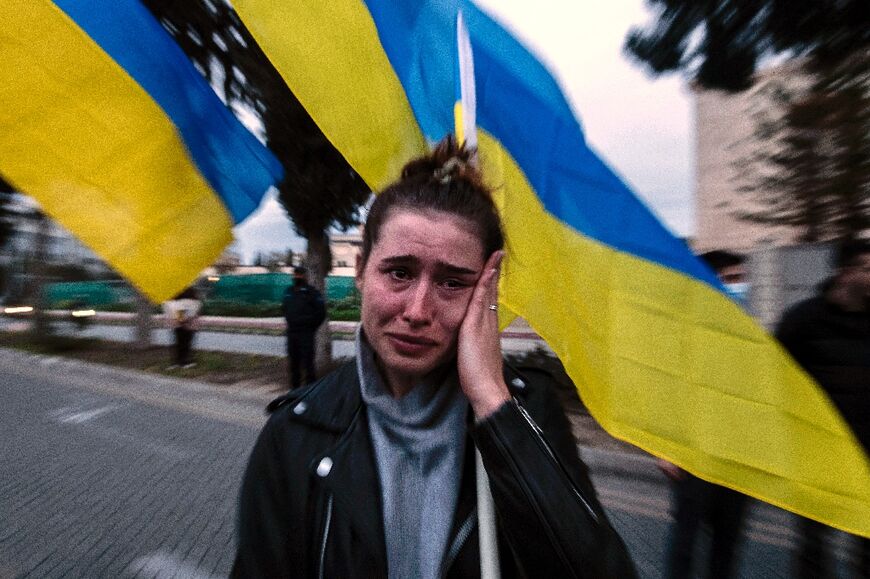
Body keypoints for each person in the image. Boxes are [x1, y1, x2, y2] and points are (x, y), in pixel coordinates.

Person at [232, 137, 636, 578]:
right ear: (363, 271)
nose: (418, 311)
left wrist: (492, 406)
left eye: (451, 283)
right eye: (400, 273)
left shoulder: (527, 412)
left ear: (487, 290)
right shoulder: (296, 431)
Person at [776, 240, 869, 579]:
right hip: (818, 455)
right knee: (814, 545)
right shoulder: (802, 320)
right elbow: (779, 381)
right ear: (846, 273)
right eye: (868, 269)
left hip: (867, 455)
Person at [659, 250, 750, 579]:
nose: (741, 287)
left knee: (726, 546)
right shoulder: (685, 334)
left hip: (737, 458)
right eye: (732, 279)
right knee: (686, 543)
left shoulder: (745, 332)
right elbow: (666, 393)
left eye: (741, 279)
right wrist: (667, 450)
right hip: (695, 456)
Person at [282, 265, 326, 389]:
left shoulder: (312, 293)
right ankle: (294, 393)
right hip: (292, 334)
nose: (297, 276)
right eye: (295, 274)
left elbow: (321, 313)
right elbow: (284, 309)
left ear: (305, 276)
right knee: (294, 365)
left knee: (308, 365)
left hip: (306, 334)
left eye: (300, 274)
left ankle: (309, 393)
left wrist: (311, 327)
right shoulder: (288, 292)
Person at [162, 286, 201, 369]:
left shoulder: (173, 302)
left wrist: (179, 320)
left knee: (178, 343)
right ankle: (184, 362)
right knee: (186, 344)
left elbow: (173, 313)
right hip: (189, 326)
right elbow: (187, 316)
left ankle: (176, 362)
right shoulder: (194, 302)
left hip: (176, 325)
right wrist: (184, 321)